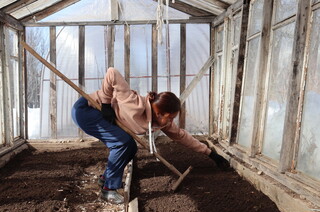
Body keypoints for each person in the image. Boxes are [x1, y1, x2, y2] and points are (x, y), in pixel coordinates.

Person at [71, 68, 229, 204]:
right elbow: (112, 73)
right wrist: (105, 104)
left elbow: (181, 136)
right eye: (170, 117)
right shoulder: (133, 102)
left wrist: (211, 154)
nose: (171, 121)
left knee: (131, 147)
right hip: (88, 110)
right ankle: (108, 189)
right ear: (159, 113)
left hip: (98, 115)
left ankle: (106, 179)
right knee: (122, 143)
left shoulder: (161, 122)